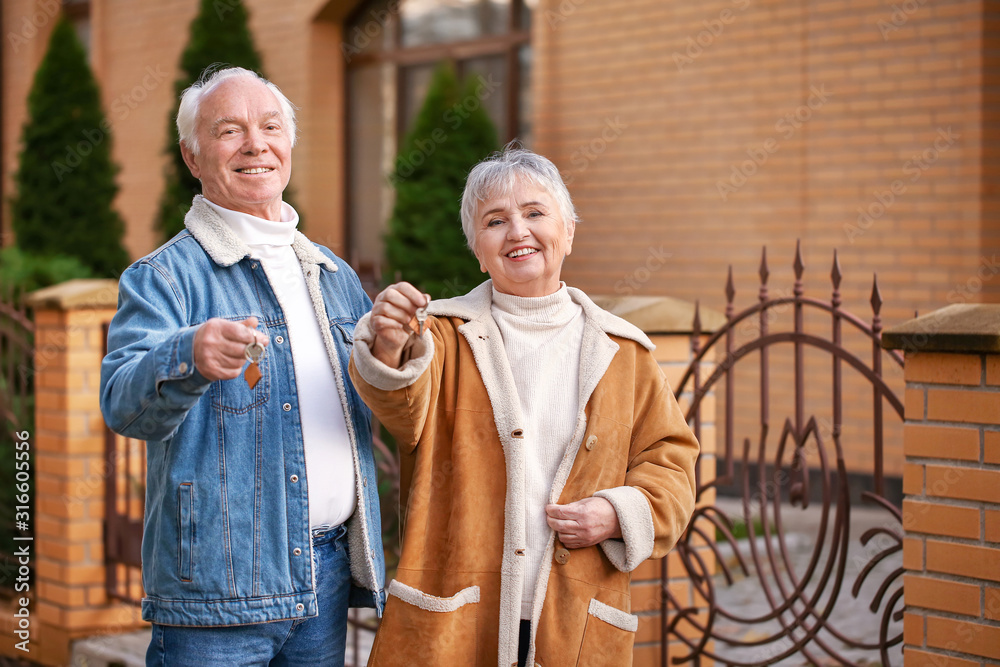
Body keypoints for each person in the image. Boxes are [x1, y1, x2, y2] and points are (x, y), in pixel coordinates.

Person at [348, 146, 699, 666]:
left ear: (569, 231)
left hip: (576, 618)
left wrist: (616, 513)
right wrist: (388, 344)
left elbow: (672, 465)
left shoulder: (625, 352)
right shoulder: (442, 338)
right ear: (476, 246)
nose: (517, 232)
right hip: (458, 617)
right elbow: (401, 408)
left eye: (535, 213)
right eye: (495, 220)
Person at [100, 66, 384, 666]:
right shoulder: (163, 279)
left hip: (326, 577)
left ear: (288, 145)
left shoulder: (335, 278)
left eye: (271, 127)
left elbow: (376, 411)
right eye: (230, 131)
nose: (256, 144)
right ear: (193, 156)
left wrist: (397, 352)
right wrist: (188, 355)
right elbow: (122, 405)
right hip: (215, 594)